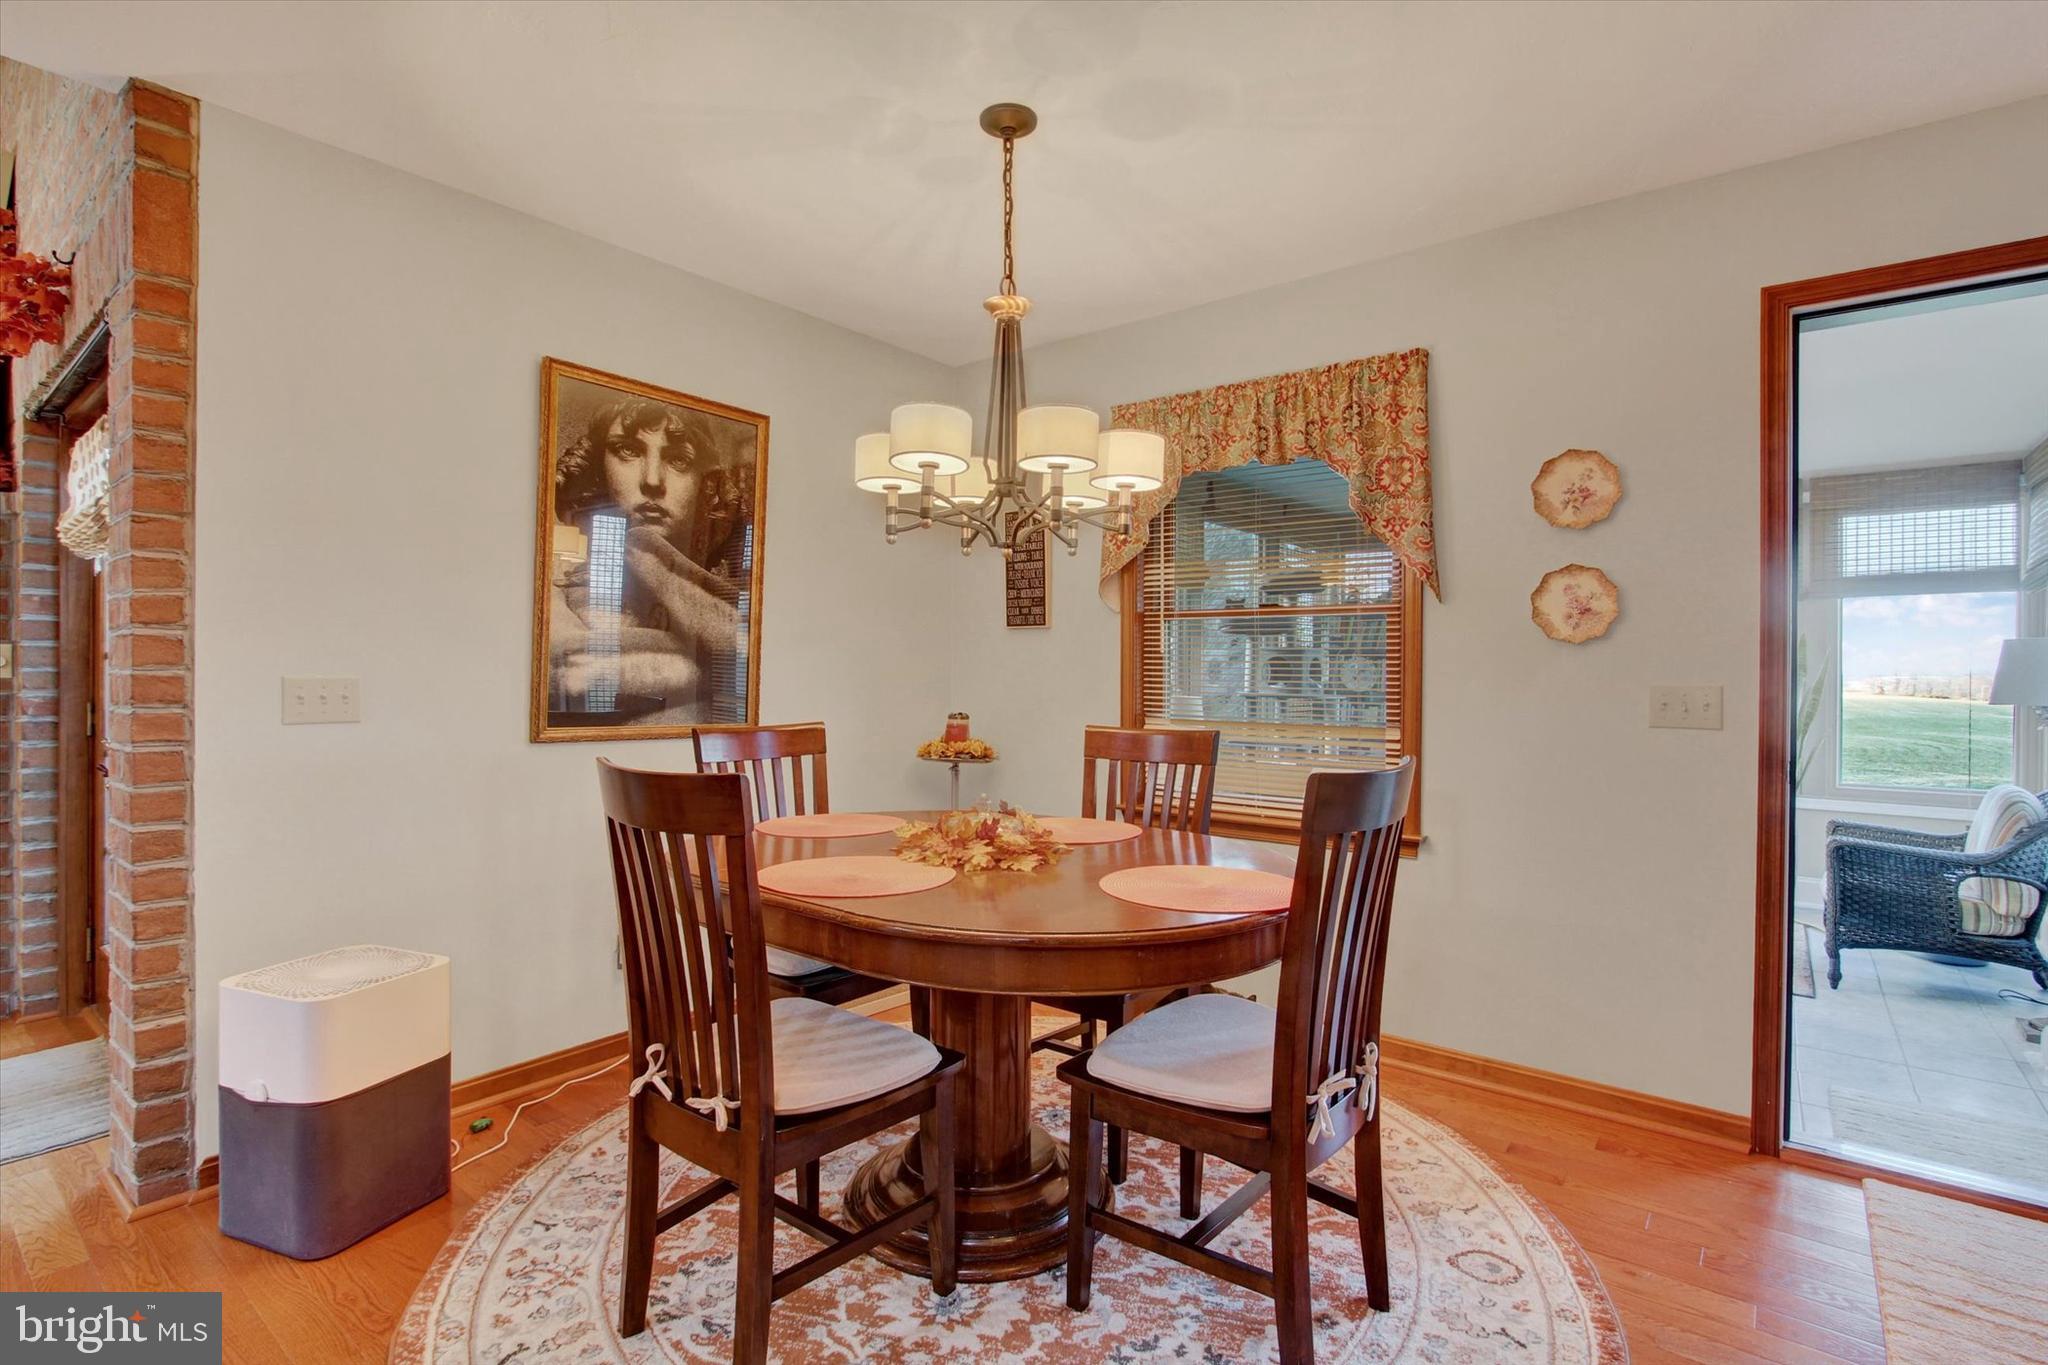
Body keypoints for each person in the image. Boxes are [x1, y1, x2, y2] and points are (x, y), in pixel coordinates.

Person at [548, 395, 749, 725]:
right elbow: (570, 665)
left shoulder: (729, 582)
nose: (652, 481)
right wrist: (691, 662)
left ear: (705, 483)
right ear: (600, 467)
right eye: (628, 450)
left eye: (679, 460)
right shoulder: (568, 587)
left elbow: (743, 649)